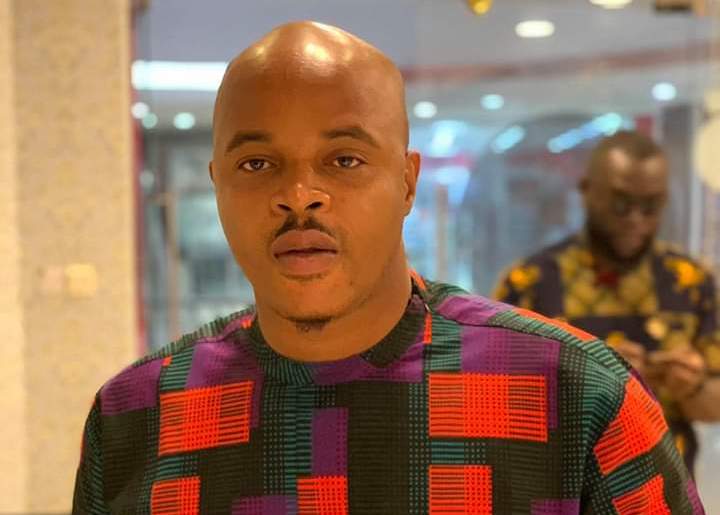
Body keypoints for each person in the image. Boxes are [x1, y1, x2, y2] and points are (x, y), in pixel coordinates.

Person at [73, 24, 703, 514]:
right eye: (257, 164)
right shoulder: (136, 418)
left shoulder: (576, 394)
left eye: (344, 160)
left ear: (406, 182)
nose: (299, 196)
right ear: (218, 186)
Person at [495, 130, 720, 475]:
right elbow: (496, 406)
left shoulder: (691, 282)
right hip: (564, 488)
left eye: (651, 206)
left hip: (667, 491)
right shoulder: (530, 284)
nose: (636, 219)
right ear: (587, 191)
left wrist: (693, 386)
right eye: (621, 202)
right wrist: (589, 379)